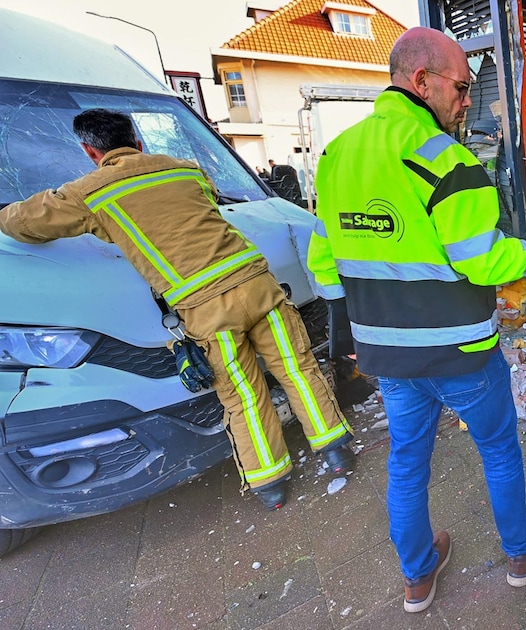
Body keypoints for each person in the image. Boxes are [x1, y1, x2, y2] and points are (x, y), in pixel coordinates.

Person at [307, 27, 526, 614]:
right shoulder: (446, 160)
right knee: (498, 449)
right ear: (421, 80)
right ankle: (521, 553)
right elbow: (488, 264)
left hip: (388, 358)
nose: (467, 100)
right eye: (461, 86)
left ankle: (418, 577)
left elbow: (323, 262)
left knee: (407, 463)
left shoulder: (336, 157)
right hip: (462, 356)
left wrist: (347, 333)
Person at [0, 109, 355, 511]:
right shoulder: (185, 169)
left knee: (242, 394)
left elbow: (23, 222)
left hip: (206, 306)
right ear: (137, 140)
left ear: (89, 151)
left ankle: (270, 483)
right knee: (298, 369)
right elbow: (205, 203)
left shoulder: (89, 192)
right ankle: (336, 451)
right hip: (257, 284)